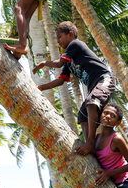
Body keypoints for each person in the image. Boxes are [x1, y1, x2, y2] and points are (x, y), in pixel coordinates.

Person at [32, 21, 116, 155]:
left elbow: (59, 63)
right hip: (94, 86)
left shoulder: (75, 44)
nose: (58, 41)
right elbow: (60, 80)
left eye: (59, 37)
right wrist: (40, 87)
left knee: (91, 102)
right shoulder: (69, 62)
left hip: (104, 79)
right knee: (83, 114)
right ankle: (91, 143)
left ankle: (90, 143)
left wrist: (44, 63)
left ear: (70, 35)